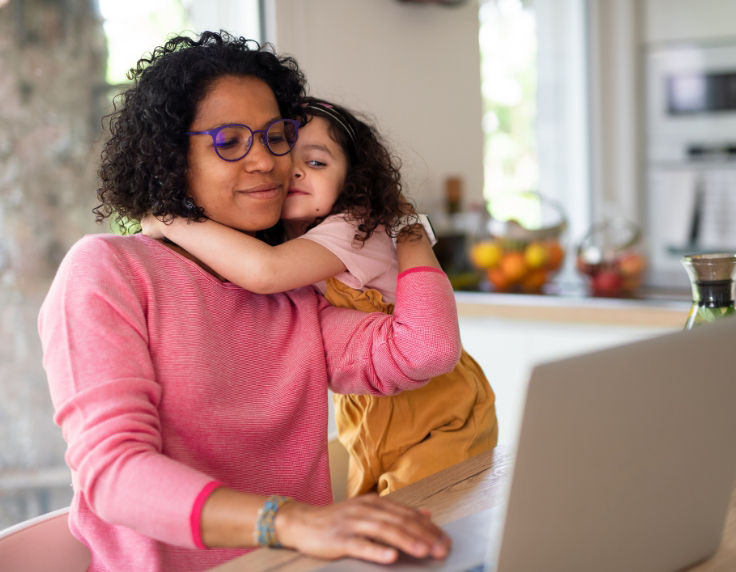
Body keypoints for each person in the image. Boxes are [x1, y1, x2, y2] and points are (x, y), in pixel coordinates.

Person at [37, 31, 460, 572]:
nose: (266, 161)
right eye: (230, 141)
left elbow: (424, 350)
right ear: (171, 157)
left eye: (275, 136)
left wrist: (406, 224)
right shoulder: (108, 270)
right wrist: (291, 521)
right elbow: (115, 475)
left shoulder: (294, 290)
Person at [141, 96, 499, 498]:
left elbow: (265, 272)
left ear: (352, 181)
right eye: (284, 157)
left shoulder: (354, 227)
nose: (293, 171)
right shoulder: (300, 240)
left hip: (440, 414)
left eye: (316, 163)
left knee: (412, 533)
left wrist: (171, 219)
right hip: (372, 414)